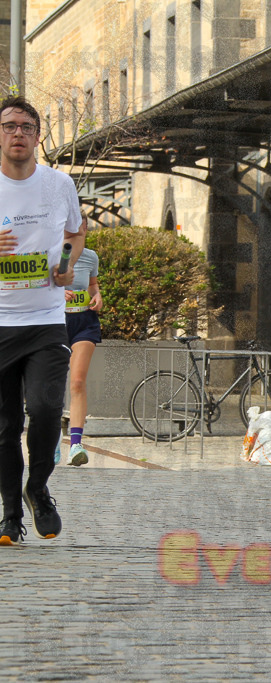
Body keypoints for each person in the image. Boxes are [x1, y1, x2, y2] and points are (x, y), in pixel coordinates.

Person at [0, 95, 86, 545]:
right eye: (9, 126)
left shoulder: (58, 185)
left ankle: (38, 487)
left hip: (47, 318)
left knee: (48, 407)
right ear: (0, 134)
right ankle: (11, 515)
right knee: (5, 426)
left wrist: (68, 264)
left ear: (37, 136)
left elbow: (75, 231)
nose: (18, 133)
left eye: (26, 127)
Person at [57, 242, 102, 467]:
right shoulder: (50, 252)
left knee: (76, 382)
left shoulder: (90, 257)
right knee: (52, 381)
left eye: (81, 230)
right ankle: (52, 437)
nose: (77, 234)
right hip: (55, 322)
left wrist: (97, 296)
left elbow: (93, 285)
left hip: (84, 322)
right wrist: (56, 292)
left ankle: (76, 444)